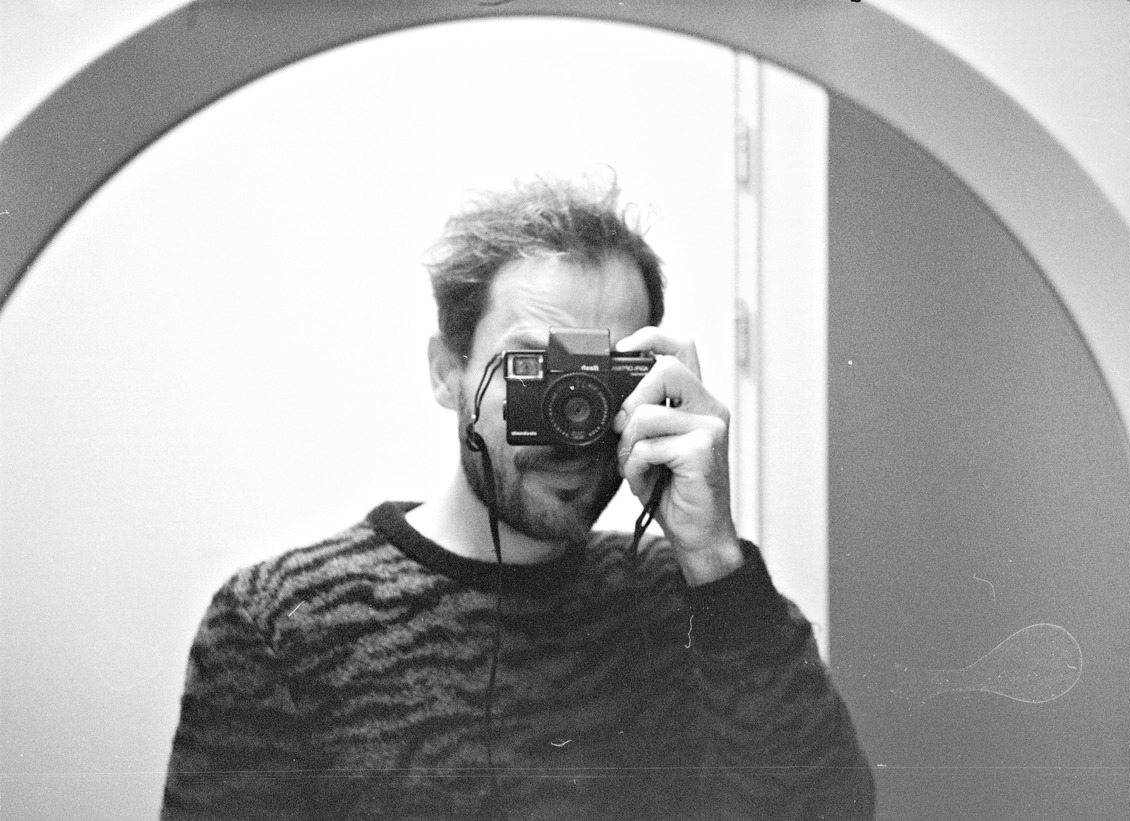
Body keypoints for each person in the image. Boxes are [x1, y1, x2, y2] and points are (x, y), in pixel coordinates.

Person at [161, 177, 875, 820]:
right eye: (533, 367)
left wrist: (715, 558)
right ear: (448, 372)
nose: (572, 419)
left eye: (602, 374)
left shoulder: (685, 594)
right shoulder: (280, 619)